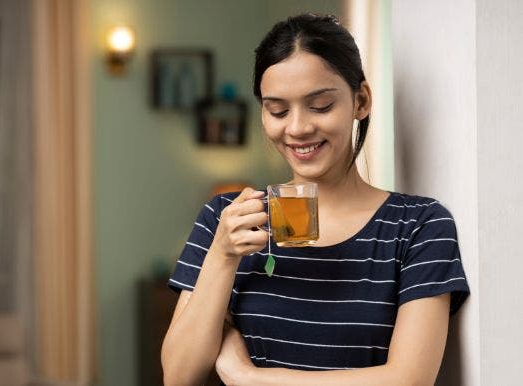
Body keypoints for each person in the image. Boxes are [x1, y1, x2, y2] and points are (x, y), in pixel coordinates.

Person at [160, 13, 470, 386]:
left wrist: (249, 378)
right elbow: (178, 376)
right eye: (277, 110)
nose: (297, 128)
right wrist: (222, 257)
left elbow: (409, 380)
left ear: (361, 100)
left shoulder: (419, 225)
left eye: (320, 106)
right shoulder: (225, 218)